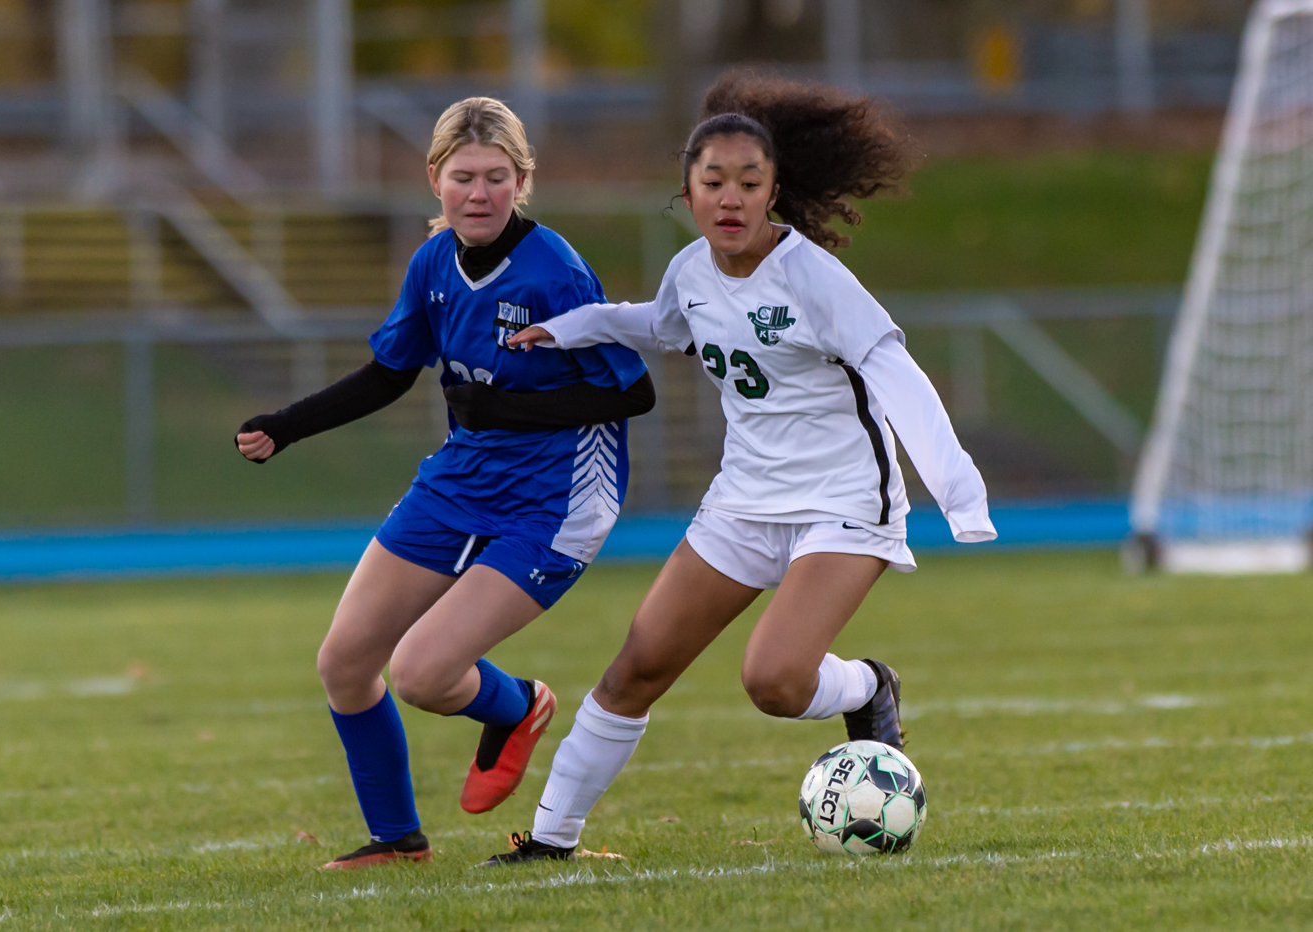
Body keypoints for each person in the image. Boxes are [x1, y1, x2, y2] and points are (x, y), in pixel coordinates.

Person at [486, 73, 996, 865]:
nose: (730, 199)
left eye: (749, 184)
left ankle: (865, 686)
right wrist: (573, 328)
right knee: (636, 667)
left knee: (775, 681)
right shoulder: (691, 271)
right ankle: (550, 841)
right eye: (712, 183)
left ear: (774, 193)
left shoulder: (812, 277)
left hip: (844, 503)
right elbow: (656, 326)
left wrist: (959, 492)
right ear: (687, 194)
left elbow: (894, 371)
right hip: (744, 501)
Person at [234, 96, 656, 869]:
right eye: (464, 177)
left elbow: (633, 392)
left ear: (522, 180)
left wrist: (509, 405)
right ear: (435, 178)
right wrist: (288, 425)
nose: (480, 193)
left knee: (424, 673)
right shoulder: (433, 263)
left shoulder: (555, 271)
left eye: (498, 177)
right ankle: (398, 842)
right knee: (345, 663)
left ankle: (521, 704)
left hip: (556, 498)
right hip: (462, 479)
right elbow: (391, 373)